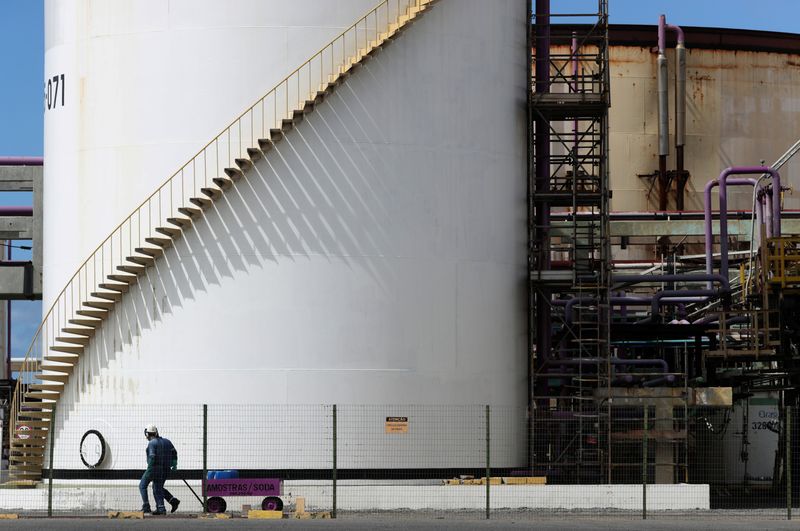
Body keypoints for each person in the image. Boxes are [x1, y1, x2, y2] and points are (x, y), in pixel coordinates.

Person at [140, 424, 180, 515]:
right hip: (166, 469)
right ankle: (164, 506)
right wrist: (174, 464)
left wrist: (149, 469)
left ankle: (146, 507)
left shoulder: (152, 443)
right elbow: (174, 453)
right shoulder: (167, 441)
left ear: (148, 434)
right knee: (157, 487)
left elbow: (152, 457)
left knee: (142, 485)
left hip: (154, 468)